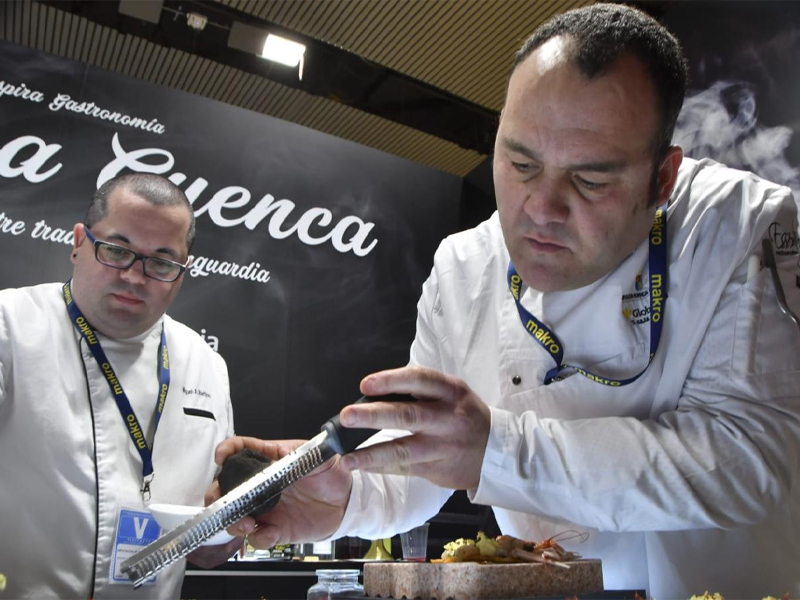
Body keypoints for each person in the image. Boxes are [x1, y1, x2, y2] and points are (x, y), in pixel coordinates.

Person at [217, 4, 800, 598]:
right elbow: (425, 469)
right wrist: (348, 494)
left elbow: (747, 462)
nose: (541, 208)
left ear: (663, 178)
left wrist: (499, 450)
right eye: (520, 162)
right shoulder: (464, 267)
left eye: (590, 181)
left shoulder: (740, 228)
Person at [0, 173, 239, 599]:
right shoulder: (9, 325)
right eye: (116, 250)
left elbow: (212, 539)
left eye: (162, 262)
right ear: (78, 243)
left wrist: (233, 524)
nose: (134, 276)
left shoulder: (206, 365)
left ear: (183, 272)